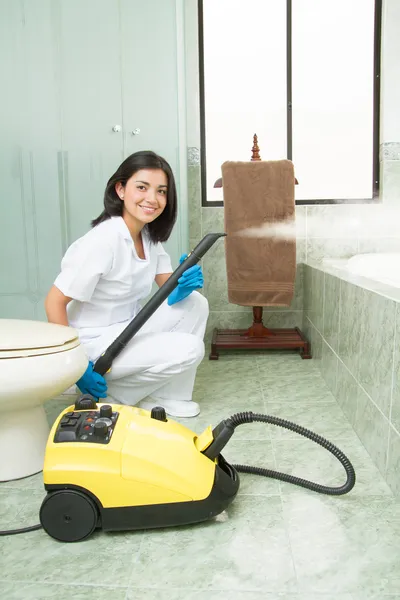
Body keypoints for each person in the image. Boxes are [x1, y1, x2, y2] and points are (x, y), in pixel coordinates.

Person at [45, 151, 208, 417]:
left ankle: (169, 396)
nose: (152, 199)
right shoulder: (103, 241)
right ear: (120, 189)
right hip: (95, 344)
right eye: (142, 187)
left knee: (195, 304)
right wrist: (76, 364)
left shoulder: (148, 237)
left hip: (125, 330)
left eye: (161, 191)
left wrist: (184, 283)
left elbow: (169, 289)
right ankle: (114, 396)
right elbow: (54, 301)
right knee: (190, 349)